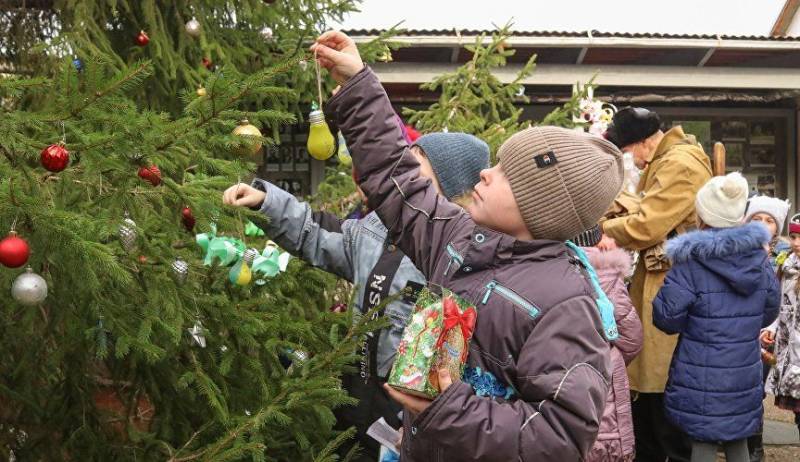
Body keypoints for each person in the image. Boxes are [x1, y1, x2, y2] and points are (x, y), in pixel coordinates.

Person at [307, 30, 624, 461]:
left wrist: (447, 407)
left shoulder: (565, 303)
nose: (486, 174)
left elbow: (558, 439)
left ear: (541, 208)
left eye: (507, 174)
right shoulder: (457, 239)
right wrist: (358, 80)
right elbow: (396, 178)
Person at [222, 132, 490, 460]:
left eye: (415, 165)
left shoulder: (459, 254)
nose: (401, 174)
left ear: (443, 186)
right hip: (358, 395)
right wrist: (266, 201)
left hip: (408, 411)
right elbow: (316, 233)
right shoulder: (376, 229)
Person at [601, 107, 712, 461]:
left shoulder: (680, 164)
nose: (630, 160)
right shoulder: (669, 159)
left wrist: (602, 227)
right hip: (659, 278)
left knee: (662, 389)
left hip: (668, 282)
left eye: (628, 151)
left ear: (645, 143)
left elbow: (647, 224)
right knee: (650, 392)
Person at [653, 172, 780, 462]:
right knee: (738, 440)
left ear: (702, 216)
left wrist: (696, 326)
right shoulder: (759, 260)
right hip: (743, 370)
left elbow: (666, 317)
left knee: (703, 441)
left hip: (699, 369)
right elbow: (769, 309)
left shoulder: (690, 263)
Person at [574, 226, 643, 462]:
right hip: (603, 392)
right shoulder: (606, 274)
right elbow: (631, 337)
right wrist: (609, 358)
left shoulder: (542, 270)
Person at [743, 195, 791, 461]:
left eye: (769, 220)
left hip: (767, 330)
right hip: (740, 327)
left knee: (755, 390)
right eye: (756, 219)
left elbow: (782, 296)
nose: (762, 224)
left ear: (777, 227)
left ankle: (755, 443)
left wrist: (771, 326)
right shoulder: (735, 249)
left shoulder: (783, 256)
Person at [764, 213, 800, 440]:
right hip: (792, 355)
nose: (796, 243)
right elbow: (781, 306)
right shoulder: (786, 267)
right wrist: (772, 327)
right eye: (794, 236)